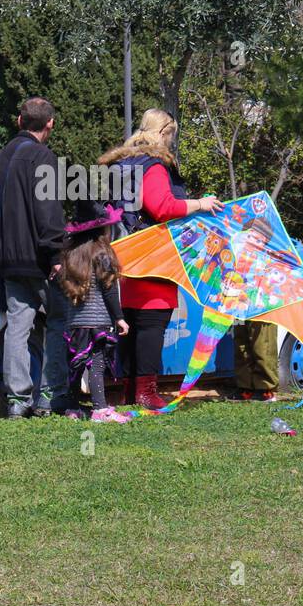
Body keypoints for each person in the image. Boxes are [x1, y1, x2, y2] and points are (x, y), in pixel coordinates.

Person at [99, 108, 220, 410]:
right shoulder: (151, 166)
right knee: (152, 322)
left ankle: (127, 389)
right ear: (164, 133)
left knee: (129, 323)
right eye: (171, 137)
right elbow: (163, 207)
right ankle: (145, 392)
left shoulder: (121, 164)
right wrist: (200, 204)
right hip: (150, 254)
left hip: (122, 252)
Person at [0, 97, 69, 418]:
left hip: (7, 262)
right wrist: (55, 254)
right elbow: (48, 212)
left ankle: (18, 402)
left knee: (18, 329)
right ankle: (50, 399)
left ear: (19, 121)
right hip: (40, 260)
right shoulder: (44, 158)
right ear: (50, 125)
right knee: (57, 324)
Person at [58, 202, 131, 423]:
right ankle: (100, 410)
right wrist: (119, 317)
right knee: (97, 364)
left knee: (77, 364)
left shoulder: (70, 254)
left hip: (75, 322)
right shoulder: (102, 253)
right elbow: (109, 290)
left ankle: (72, 407)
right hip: (99, 320)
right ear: (101, 230)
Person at [226, 215, 280, 402]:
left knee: (262, 344)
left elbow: (275, 280)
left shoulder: (269, 258)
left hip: (261, 306)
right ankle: (245, 386)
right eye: (251, 237)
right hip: (239, 305)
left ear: (266, 242)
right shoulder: (237, 254)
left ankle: (265, 387)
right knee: (241, 343)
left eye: (259, 240)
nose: (254, 242)